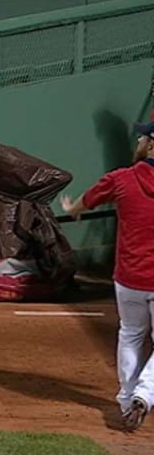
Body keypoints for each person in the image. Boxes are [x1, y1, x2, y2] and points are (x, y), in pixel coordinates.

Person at [59, 122, 154, 433]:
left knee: (130, 334)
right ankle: (144, 394)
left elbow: (88, 199)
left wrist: (72, 207)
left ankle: (128, 400)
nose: (138, 140)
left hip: (129, 278)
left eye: (142, 137)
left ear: (151, 145)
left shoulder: (122, 178)